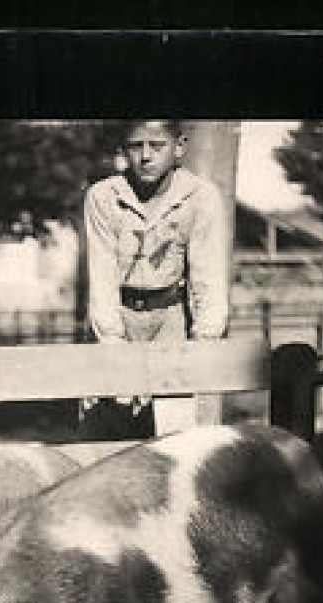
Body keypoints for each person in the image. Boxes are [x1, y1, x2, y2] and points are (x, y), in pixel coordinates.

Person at [79, 119, 231, 438]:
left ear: (178, 148)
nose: (146, 156)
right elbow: (102, 275)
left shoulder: (201, 197)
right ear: (124, 151)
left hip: (170, 318)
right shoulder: (104, 197)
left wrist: (204, 342)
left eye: (157, 146)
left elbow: (208, 276)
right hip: (117, 316)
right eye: (136, 146)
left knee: (176, 435)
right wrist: (113, 346)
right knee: (106, 435)